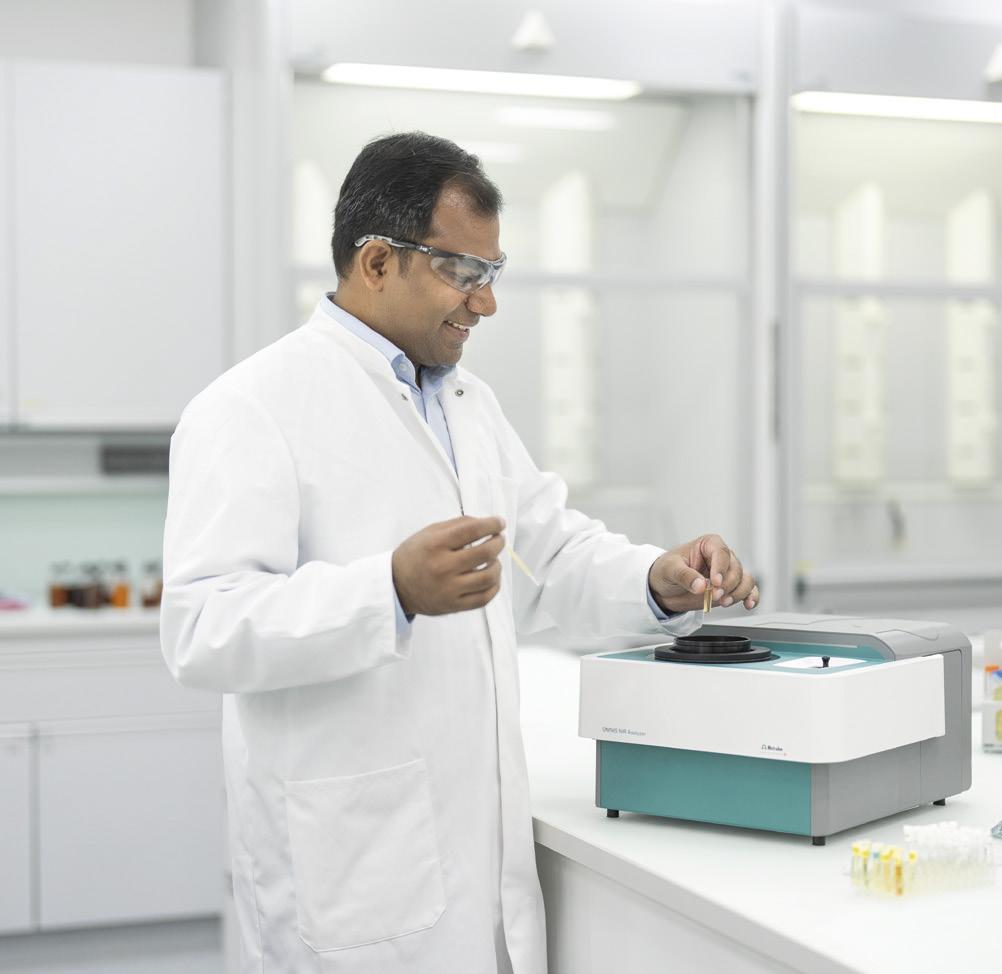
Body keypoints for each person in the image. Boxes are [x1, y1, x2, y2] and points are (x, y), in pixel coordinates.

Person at [160, 131, 759, 974]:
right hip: (355, 865)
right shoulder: (252, 408)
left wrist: (656, 580)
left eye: (492, 271)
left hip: (474, 843)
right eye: (463, 272)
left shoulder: (468, 403)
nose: (487, 303)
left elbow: (547, 557)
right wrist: (390, 591)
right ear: (377, 262)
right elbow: (203, 627)